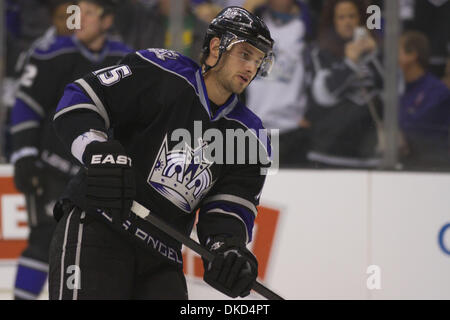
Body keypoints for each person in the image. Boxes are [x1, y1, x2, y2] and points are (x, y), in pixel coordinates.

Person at [49, 6, 274, 300]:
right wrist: (96, 150)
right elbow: (80, 98)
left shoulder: (251, 136)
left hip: (162, 256)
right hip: (100, 224)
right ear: (217, 47)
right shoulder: (161, 72)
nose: (251, 68)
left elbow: (228, 209)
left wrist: (227, 249)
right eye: (245, 54)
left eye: (258, 60)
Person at [9, 0, 131, 300]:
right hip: (51, 166)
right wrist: (24, 154)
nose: (79, 19)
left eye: (89, 13)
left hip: (97, 173)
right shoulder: (52, 53)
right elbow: (27, 105)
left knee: (97, 248)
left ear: (107, 20)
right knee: (43, 239)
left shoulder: (124, 60)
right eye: (78, 12)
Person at [303, 0, 384, 168]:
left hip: (370, 152)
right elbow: (323, 96)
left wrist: (374, 54)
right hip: (329, 152)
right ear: (333, 22)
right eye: (341, 17)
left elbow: (393, 89)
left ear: (360, 19)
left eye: (352, 16)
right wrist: (350, 63)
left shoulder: (375, 51)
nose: (347, 22)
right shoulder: (320, 52)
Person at [246, 0, 313, 167]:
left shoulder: (306, 23)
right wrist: (251, 5)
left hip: (291, 128)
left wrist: (310, 114)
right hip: (255, 126)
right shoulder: (256, 22)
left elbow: (317, 67)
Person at [398, 31, 450, 170]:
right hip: (406, 168)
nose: (393, 57)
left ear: (412, 55)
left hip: (434, 170)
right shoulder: (400, 90)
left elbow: (419, 127)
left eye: (398, 51)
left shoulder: (438, 92)